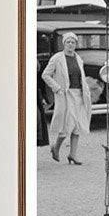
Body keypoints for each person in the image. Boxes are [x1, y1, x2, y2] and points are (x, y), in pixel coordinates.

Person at [41, 31, 91, 164]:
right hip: (65, 95)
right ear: (63, 43)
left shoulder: (78, 58)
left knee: (78, 125)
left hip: (79, 95)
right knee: (67, 124)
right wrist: (57, 88)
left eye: (73, 42)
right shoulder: (57, 58)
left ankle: (72, 154)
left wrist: (86, 90)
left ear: (76, 44)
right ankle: (56, 147)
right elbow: (45, 75)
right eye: (68, 42)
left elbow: (81, 76)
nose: (70, 44)